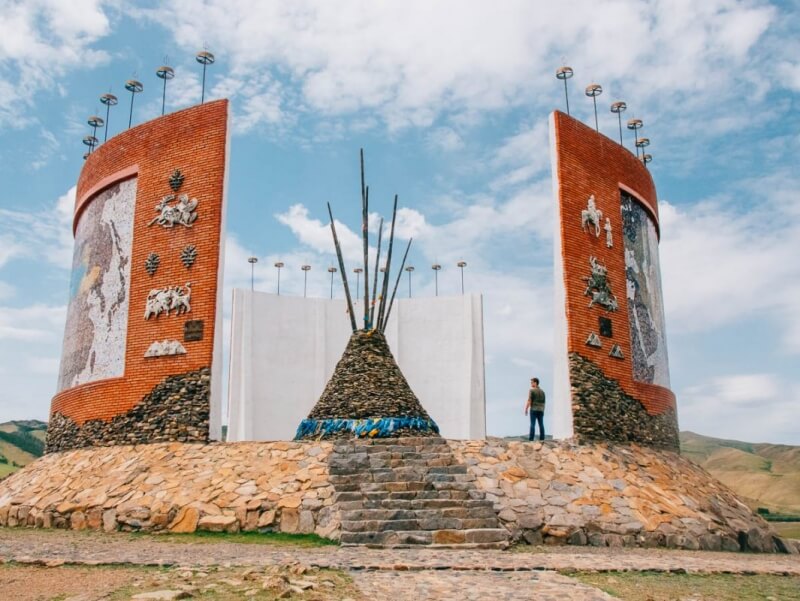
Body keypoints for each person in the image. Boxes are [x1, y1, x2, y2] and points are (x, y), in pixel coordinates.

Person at [524, 377, 546, 441]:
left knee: (532, 424)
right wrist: (542, 409)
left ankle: (531, 439)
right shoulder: (543, 392)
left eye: (532, 382)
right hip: (541, 410)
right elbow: (544, 402)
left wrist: (526, 409)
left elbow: (529, 400)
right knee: (541, 424)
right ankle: (542, 439)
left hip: (533, 409)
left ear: (535, 383)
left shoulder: (532, 390)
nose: (531, 384)